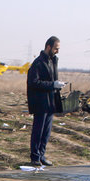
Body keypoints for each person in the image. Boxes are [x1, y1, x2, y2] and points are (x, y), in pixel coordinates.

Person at [26, 36, 65, 166]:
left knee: (46, 132)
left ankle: (41, 155)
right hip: (40, 102)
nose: (57, 51)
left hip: (50, 102)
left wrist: (57, 86)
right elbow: (33, 82)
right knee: (38, 130)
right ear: (48, 47)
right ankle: (35, 157)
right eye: (56, 48)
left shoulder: (53, 61)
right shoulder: (38, 63)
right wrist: (52, 84)